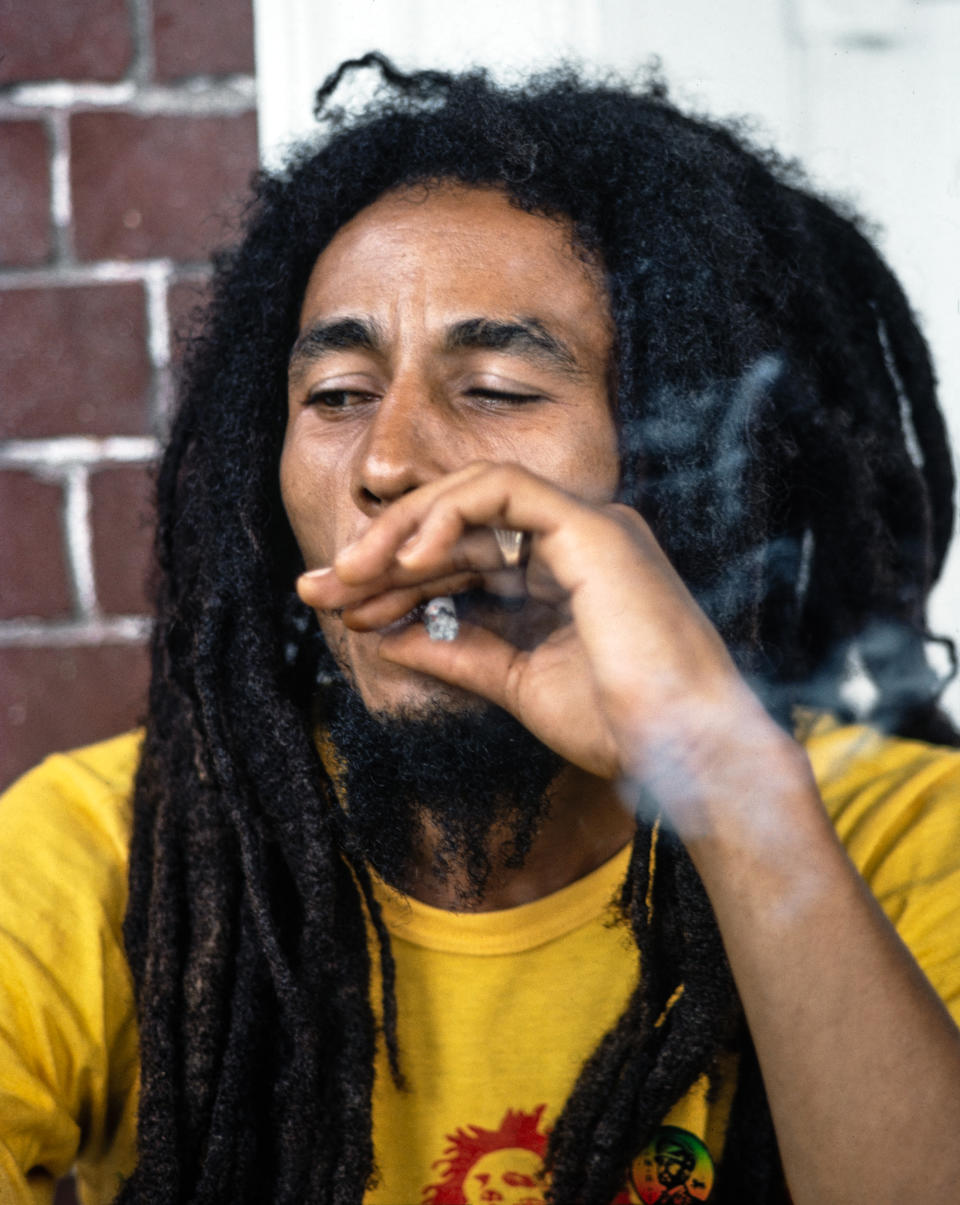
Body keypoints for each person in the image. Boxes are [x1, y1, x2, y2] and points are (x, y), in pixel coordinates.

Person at [1, 52, 959, 1205]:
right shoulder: (106, 856)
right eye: (338, 395)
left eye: (499, 389)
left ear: (691, 474)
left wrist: (718, 770)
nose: (389, 462)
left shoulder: (899, 838)